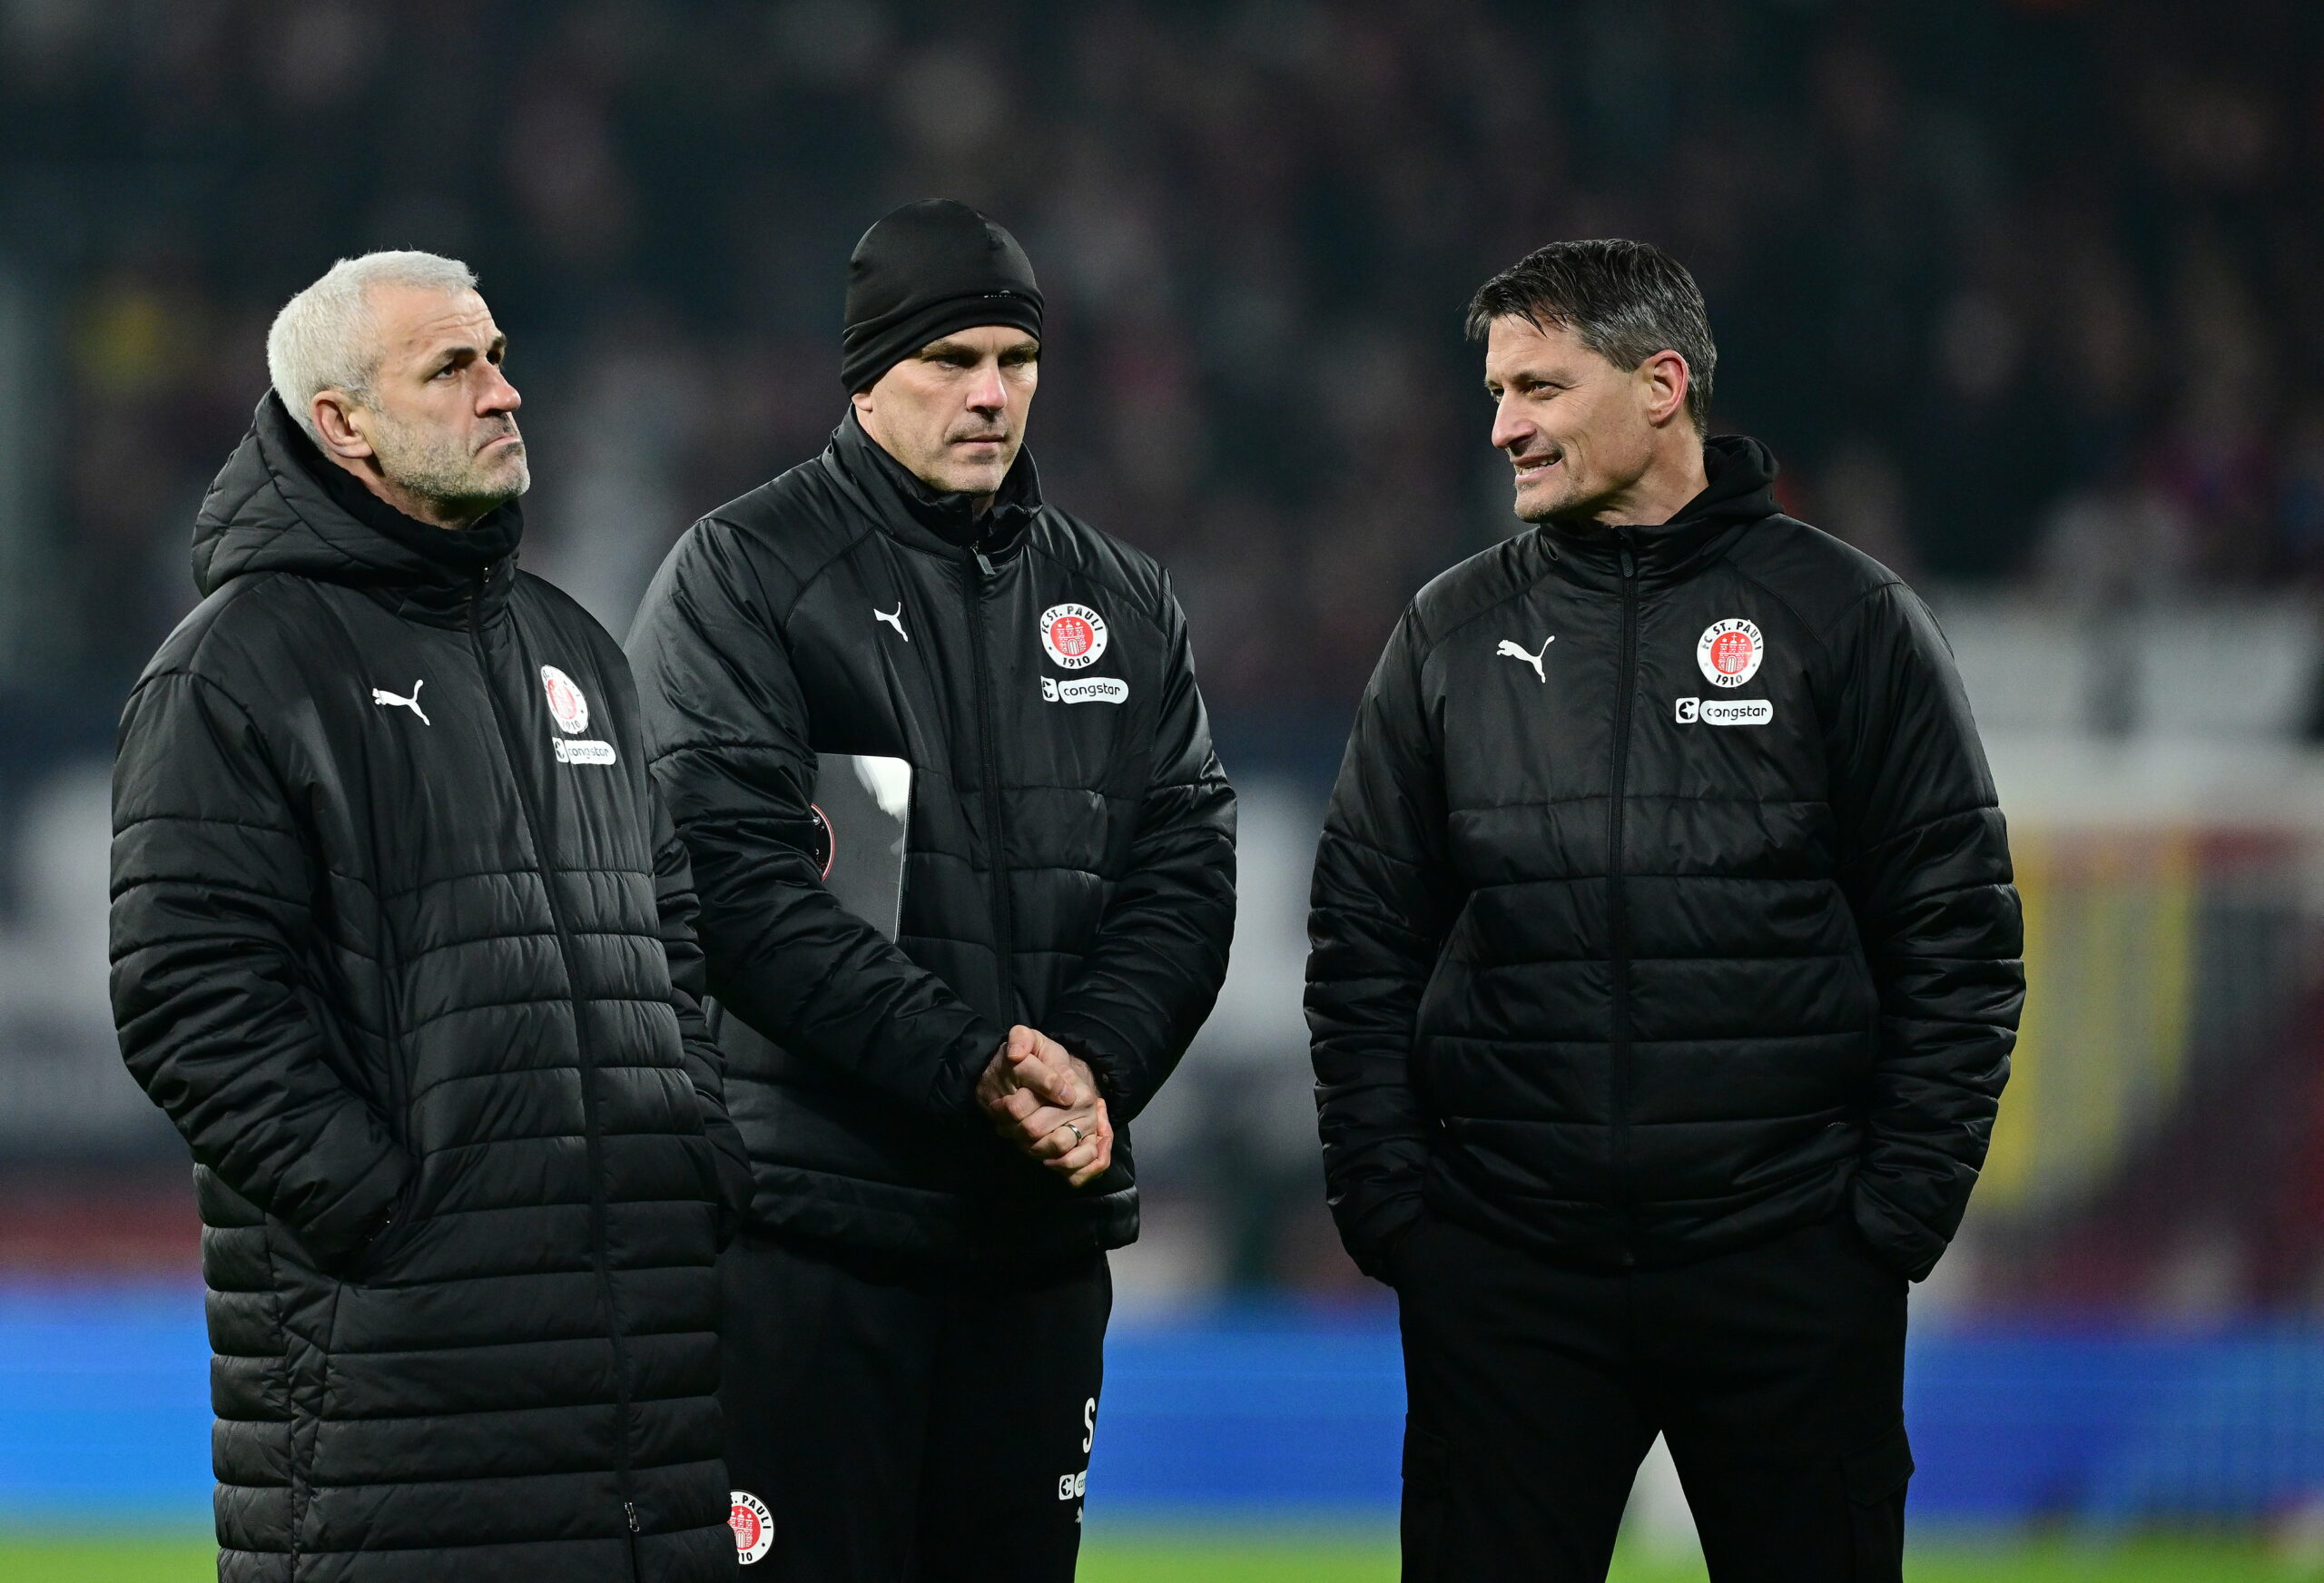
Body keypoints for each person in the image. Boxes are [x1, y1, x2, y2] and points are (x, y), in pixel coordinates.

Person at [1306, 239, 2024, 1581]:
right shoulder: (1447, 635)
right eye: (1497, 390)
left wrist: (1886, 1226)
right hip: (1510, 1274)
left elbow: (1960, 936)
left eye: (1539, 387)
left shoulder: (1849, 619)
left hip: (1787, 1265)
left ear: (1661, 385)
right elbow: (1360, 940)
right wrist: (1397, 1211)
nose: (1504, 425)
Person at [109, 251, 752, 1581]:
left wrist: (690, 1149)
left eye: (498, 356)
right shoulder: (235, 670)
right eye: (452, 367)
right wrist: (394, 1215)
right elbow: (187, 997)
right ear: (341, 423)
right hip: (398, 1412)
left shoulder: (577, 650)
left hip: (642, 1398)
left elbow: (671, 931)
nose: (504, 392)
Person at [626, 199, 1236, 1580]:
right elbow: (735, 888)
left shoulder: (1123, 603)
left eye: (1016, 361)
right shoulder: (747, 579)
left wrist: (1096, 1068)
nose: (990, 392)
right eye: (951, 358)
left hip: (1032, 1243)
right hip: (814, 1240)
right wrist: (976, 1067)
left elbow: (1186, 873)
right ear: (863, 374)